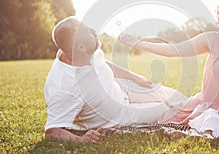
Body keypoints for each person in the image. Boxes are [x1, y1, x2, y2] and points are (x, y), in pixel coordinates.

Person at [44, 16, 187, 143]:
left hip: (123, 90)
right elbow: (52, 131)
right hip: (123, 116)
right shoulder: (64, 87)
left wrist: (136, 78)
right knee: (177, 111)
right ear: (80, 47)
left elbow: (102, 63)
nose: (93, 31)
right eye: (87, 31)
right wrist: (80, 140)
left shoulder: (86, 49)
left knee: (181, 98)